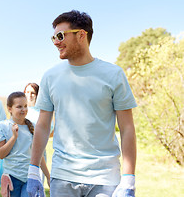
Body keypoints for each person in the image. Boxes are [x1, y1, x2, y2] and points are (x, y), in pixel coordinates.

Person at [27, 10, 137, 197]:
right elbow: (43, 126)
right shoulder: (50, 77)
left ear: (81, 35)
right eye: (53, 37)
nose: (55, 42)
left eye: (60, 36)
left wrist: (128, 178)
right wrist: (33, 170)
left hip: (105, 179)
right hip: (62, 176)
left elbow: (127, 128)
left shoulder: (114, 74)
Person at [0, 92, 50, 197]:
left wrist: (48, 176)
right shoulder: (2, 126)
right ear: (10, 109)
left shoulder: (34, 127)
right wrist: (14, 137)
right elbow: (0, 154)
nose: (23, 109)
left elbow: (39, 155)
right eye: (19, 107)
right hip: (12, 178)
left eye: (25, 106)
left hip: (30, 177)